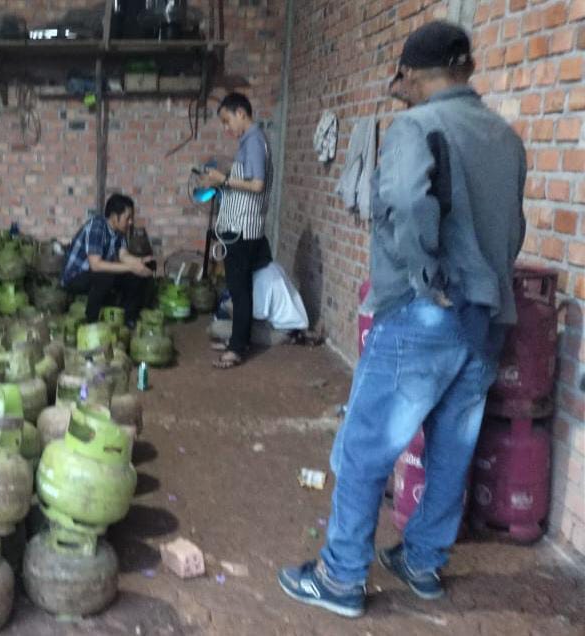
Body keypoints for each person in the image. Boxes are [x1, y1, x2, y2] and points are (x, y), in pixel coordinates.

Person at [277, 21, 526, 618]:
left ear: (410, 75)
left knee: (365, 447)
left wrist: (427, 275)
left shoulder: (416, 127)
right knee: (451, 449)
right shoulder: (505, 137)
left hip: (424, 316)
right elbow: (513, 228)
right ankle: (421, 562)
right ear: (466, 68)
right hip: (486, 317)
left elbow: (411, 202)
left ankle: (340, 577)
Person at [199, 92, 274, 369]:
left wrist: (224, 179)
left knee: (239, 290)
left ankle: (237, 348)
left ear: (241, 113)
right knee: (240, 287)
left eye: (227, 120)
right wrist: (223, 179)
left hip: (243, 227)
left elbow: (257, 185)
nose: (226, 127)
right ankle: (237, 340)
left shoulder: (254, 140)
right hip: (242, 225)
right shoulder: (250, 141)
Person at [61, 193, 156, 326]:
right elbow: (96, 265)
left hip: (94, 275)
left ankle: (129, 319)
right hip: (75, 277)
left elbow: (123, 256)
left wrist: (140, 262)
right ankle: (91, 322)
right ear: (114, 216)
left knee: (135, 275)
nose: (130, 222)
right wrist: (131, 267)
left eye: (131, 218)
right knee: (106, 275)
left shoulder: (119, 232)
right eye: (128, 218)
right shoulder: (97, 226)